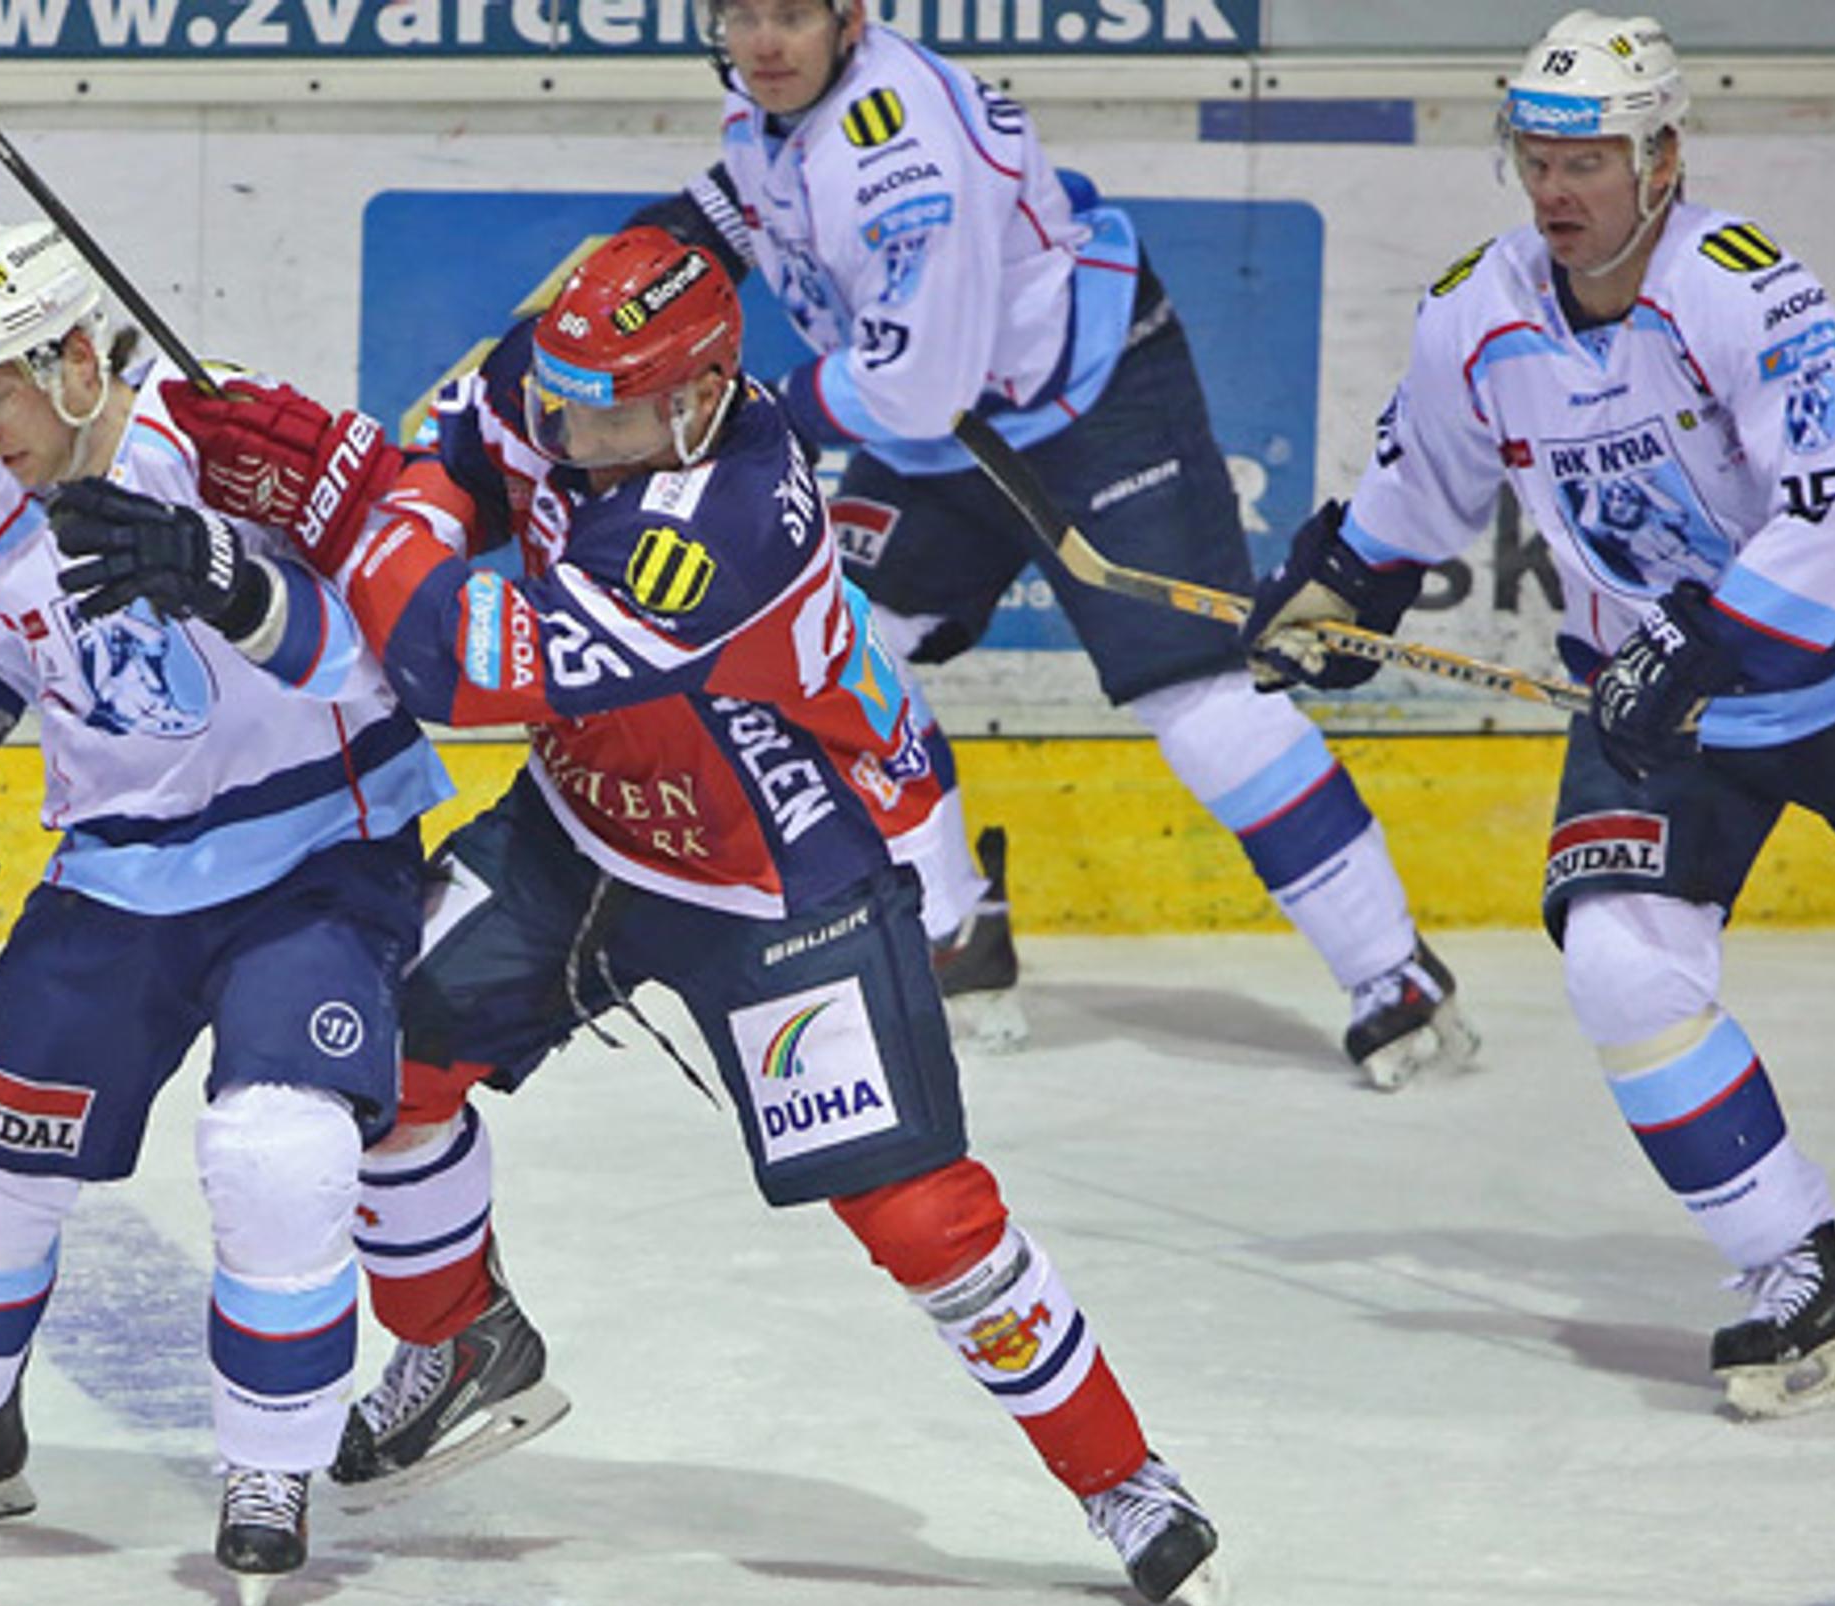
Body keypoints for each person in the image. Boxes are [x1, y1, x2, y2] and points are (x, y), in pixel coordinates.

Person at [149, 227, 1229, 1606]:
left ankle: (1119, 1478)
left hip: (769, 869)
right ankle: (459, 1342)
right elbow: (451, 467)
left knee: (916, 1215)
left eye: (607, 412)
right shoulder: (558, 381)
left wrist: (358, 504)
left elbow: (452, 663)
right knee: (379, 1067)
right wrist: (354, 472)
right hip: (579, 826)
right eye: (560, 399)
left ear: (703, 393)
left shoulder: (732, 517)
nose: (569, 431)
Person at [1243, 11, 1835, 1419]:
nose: (1556, 190)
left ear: (1662, 157)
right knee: (1620, 968)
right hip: (1654, 703)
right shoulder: (1472, 314)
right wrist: (1341, 597)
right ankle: (1788, 1268)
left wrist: (1707, 632)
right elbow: (1412, 493)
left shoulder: (1745, 289)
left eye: (1589, 160)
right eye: (1535, 157)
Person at [0, 217, 452, 1606]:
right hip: (119, 872)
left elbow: (379, 645)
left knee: (272, 1148)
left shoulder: (225, 453)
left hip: (319, 852)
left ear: (78, 358)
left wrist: (223, 573)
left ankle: (270, 1465)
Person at [624, 0, 1477, 1089]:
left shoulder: (899, 150)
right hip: (948, 421)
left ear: (852, 16)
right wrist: (627, 276)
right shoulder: (782, 106)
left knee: (1202, 702)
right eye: (740, 16)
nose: (763, 42)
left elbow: (915, 389)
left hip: (1091, 401)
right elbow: (741, 209)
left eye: (791, 14)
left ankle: (1389, 969)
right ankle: (950, 927)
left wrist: (750, 412)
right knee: (837, 644)